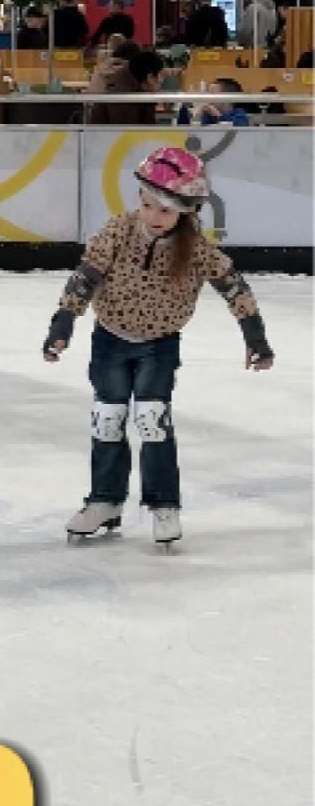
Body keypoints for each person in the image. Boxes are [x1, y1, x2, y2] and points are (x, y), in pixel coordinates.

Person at [43, 145, 274, 549]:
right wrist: (63, 322)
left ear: (186, 212)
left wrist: (254, 337)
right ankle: (105, 500)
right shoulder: (118, 231)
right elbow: (85, 276)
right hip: (110, 339)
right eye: (147, 205)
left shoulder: (196, 248)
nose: (153, 217)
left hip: (159, 345)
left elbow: (234, 286)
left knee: (152, 420)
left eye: (165, 211)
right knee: (108, 419)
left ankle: (164, 504)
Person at [86, 39, 164, 125]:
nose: (162, 80)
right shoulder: (124, 99)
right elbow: (127, 134)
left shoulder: (124, 82)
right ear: (150, 77)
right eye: (161, 75)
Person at [178, 78, 250, 128]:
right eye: (208, 92)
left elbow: (238, 130)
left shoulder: (239, 114)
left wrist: (217, 115)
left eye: (212, 93)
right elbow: (183, 128)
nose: (208, 96)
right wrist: (186, 106)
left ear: (227, 98)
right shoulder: (207, 114)